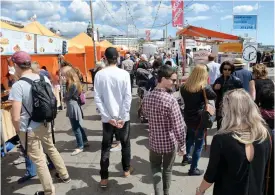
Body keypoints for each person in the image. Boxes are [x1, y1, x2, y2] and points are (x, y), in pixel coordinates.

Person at [9, 51, 70, 195]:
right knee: (51, 148)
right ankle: (64, 174)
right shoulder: (43, 78)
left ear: (16, 66)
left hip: (28, 128)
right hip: (45, 123)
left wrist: (19, 132)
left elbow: (15, 116)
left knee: (40, 160)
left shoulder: (18, 86)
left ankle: (49, 192)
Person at [196, 89, 271, 195]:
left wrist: (200, 190)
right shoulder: (265, 134)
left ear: (228, 110)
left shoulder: (221, 139)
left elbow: (211, 174)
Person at [142, 65, 186, 195]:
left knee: (155, 167)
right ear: (163, 79)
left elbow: (144, 114)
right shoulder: (171, 100)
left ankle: (158, 193)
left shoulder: (147, 97)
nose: (174, 83)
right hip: (169, 142)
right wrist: (182, 145)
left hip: (154, 141)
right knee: (167, 170)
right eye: (172, 80)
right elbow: (178, 126)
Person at [94, 47, 133, 188]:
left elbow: (97, 98)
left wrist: (107, 116)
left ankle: (104, 178)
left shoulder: (99, 75)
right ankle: (126, 169)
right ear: (117, 58)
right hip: (123, 117)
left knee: (106, 147)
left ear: (105, 58)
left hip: (107, 118)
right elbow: (127, 97)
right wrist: (122, 116)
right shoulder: (124, 74)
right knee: (125, 144)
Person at [180, 64, 216, 176]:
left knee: (189, 137)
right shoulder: (204, 87)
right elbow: (213, 96)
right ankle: (193, 169)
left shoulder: (184, 87)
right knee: (199, 144)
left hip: (188, 116)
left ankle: (186, 158)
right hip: (200, 118)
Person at [63, 69, 88, 156]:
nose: (64, 77)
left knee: (75, 127)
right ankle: (84, 141)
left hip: (72, 106)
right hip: (74, 105)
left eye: (65, 75)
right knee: (78, 126)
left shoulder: (72, 85)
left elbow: (67, 96)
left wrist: (64, 96)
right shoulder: (76, 83)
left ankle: (80, 146)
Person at [213, 61, 243, 130]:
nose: (227, 71)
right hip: (220, 106)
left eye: (229, 69)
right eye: (225, 69)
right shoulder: (218, 80)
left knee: (231, 126)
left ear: (231, 70)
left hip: (232, 106)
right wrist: (214, 88)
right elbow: (213, 94)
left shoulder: (236, 81)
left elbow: (241, 95)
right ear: (222, 69)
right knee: (220, 126)